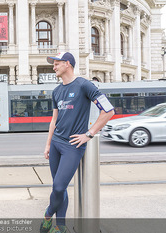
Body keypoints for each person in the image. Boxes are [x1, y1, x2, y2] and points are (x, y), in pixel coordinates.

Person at [40, 52, 114, 233]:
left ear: (68, 64)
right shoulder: (57, 91)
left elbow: (108, 110)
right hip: (56, 143)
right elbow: (54, 120)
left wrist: (89, 134)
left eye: (57, 64)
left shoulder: (84, 85)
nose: (54, 67)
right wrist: (48, 144)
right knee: (59, 187)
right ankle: (61, 227)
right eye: (53, 64)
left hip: (73, 146)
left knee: (58, 187)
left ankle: (48, 215)